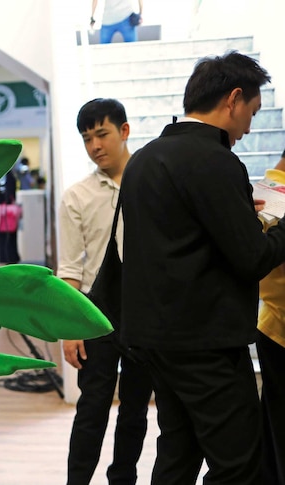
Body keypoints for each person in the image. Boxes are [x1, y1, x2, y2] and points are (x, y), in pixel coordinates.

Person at [121, 51, 283, 484]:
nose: (250, 126)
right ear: (233, 98)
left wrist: (235, 211)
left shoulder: (144, 159)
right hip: (205, 342)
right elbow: (253, 258)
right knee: (238, 465)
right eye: (252, 111)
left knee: (179, 452)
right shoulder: (215, 160)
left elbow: (176, 235)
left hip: (155, 339)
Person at [59, 98, 152, 485]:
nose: (95, 145)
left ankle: (123, 479)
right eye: (86, 138)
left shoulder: (153, 184)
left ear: (124, 131)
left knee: (135, 409)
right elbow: (69, 268)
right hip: (96, 314)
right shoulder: (76, 196)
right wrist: (69, 326)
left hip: (145, 312)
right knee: (92, 407)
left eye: (102, 133)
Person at [258, 148, 285, 484]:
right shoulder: (269, 198)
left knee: (275, 425)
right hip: (279, 329)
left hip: (272, 327)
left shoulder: (263, 192)